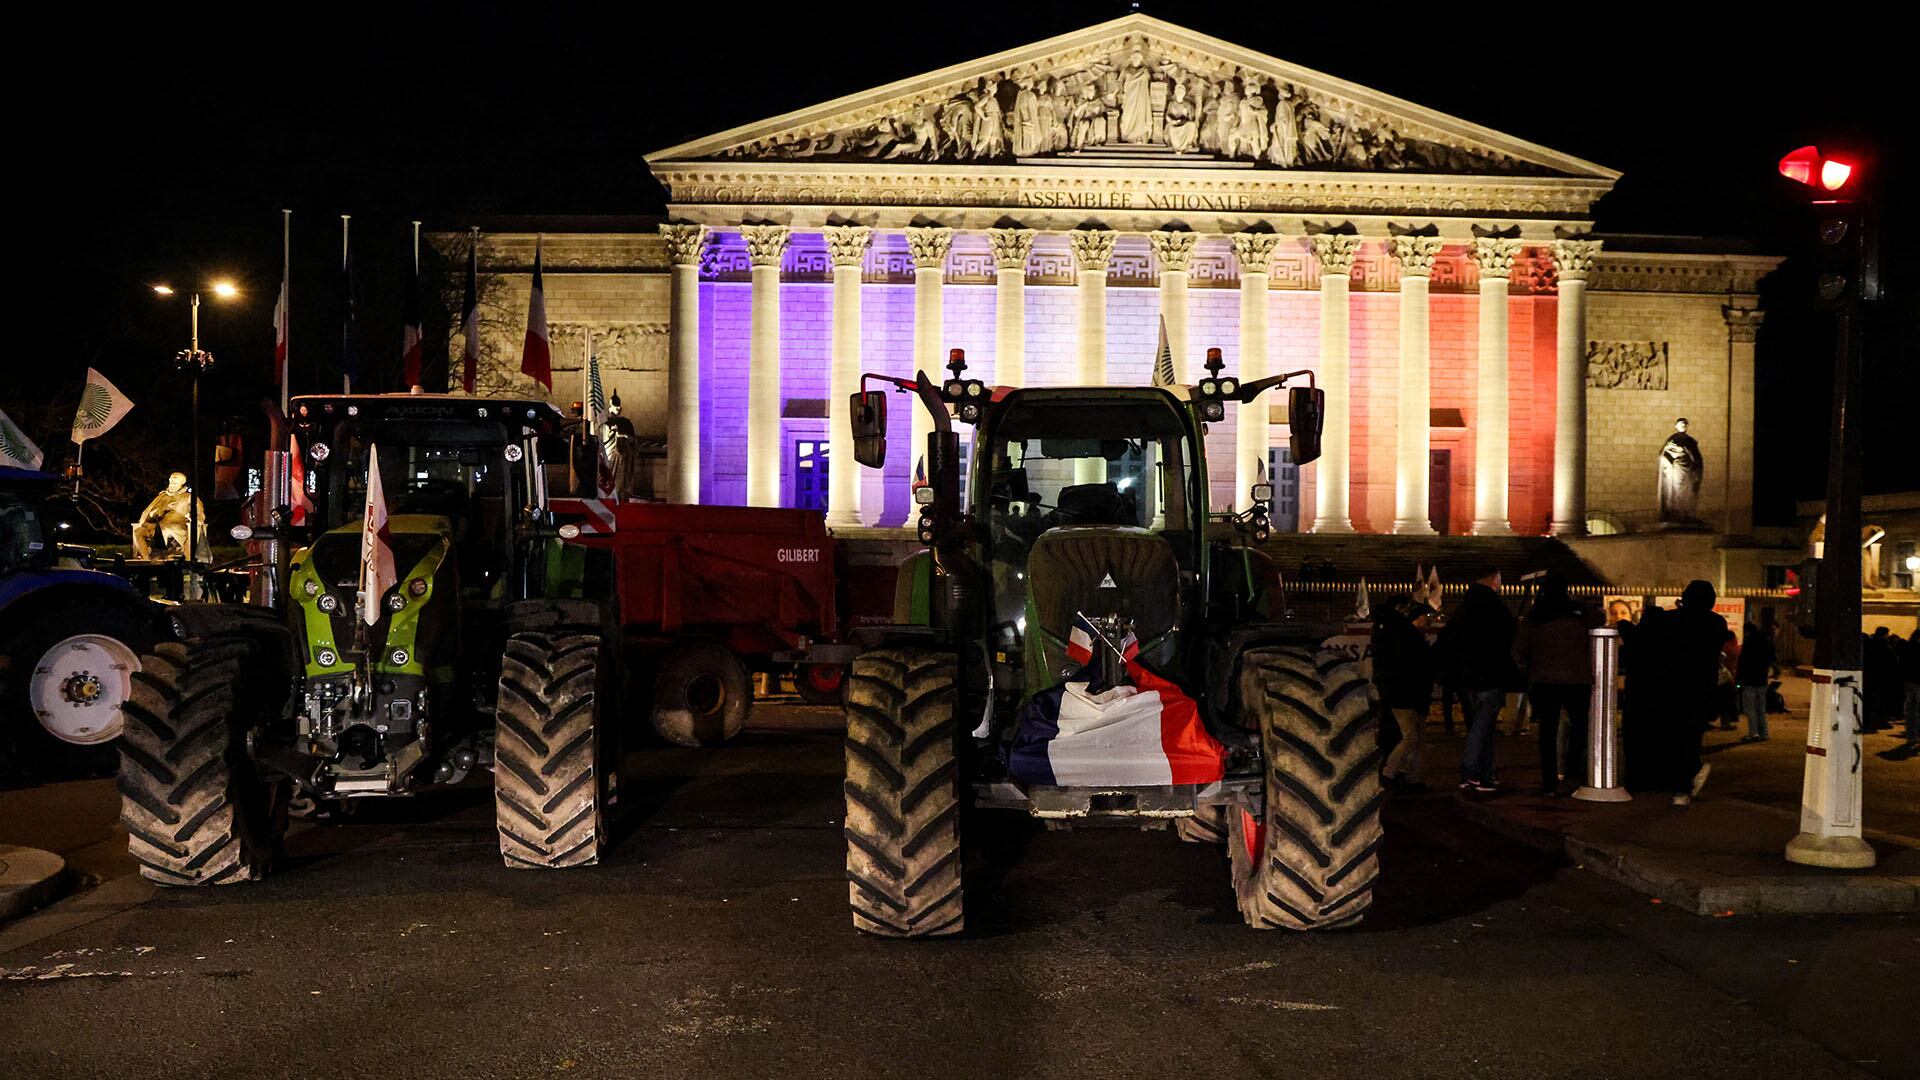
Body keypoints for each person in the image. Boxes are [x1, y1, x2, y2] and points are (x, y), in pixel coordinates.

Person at [1511, 572, 1601, 796]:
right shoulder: (1579, 612)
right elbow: (1600, 618)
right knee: (1579, 728)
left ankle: (1549, 779)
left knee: (1547, 732)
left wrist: (1529, 669)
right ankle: (1572, 774)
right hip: (1577, 679)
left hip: (1544, 681)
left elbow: (1517, 650)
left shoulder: (1536, 615)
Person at [1437, 566, 1518, 793]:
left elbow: (1449, 639)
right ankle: (1471, 771)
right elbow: (1509, 634)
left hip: (1468, 677)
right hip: (1489, 675)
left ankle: (1485, 773)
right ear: (1494, 579)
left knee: (1482, 725)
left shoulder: (1464, 608)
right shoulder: (1494, 607)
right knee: (1482, 726)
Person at [1649, 580, 1728, 805]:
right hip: (1701, 688)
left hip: (1670, 687)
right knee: (1690, 738)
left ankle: (1682, 783)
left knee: (1671, 737)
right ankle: (1682, 787)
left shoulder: (1668, 620)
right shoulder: (1716, 623)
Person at [1372, 597, 1436, 790]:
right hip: (1406, 694)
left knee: (1414, 739)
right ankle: (1391, 773)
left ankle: (1406, 775)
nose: (1430, 620)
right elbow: (1413, 665)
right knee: (1411, 738)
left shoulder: (1396, 633)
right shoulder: (1405, 635)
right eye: (1427, 616)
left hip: (1406, 693)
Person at [1735, 620, 1776, 743]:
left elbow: (1742, 662)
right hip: (1762, 680)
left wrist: (1738, 679)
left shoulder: (1748, 643)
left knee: (1750, 708)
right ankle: (1764, 733)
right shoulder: (1766, 642)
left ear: (1747, 631)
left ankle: (1753, 733)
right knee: (1761, 708)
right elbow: (1772, 658)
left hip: (1749, 680)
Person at [1884, 632, 1920, 760]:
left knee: (1911, 710)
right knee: (1916, 711)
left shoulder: (1908, 648)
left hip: (1909, 682)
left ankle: (1911, 736)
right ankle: (1914, 735)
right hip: (1917, 682)